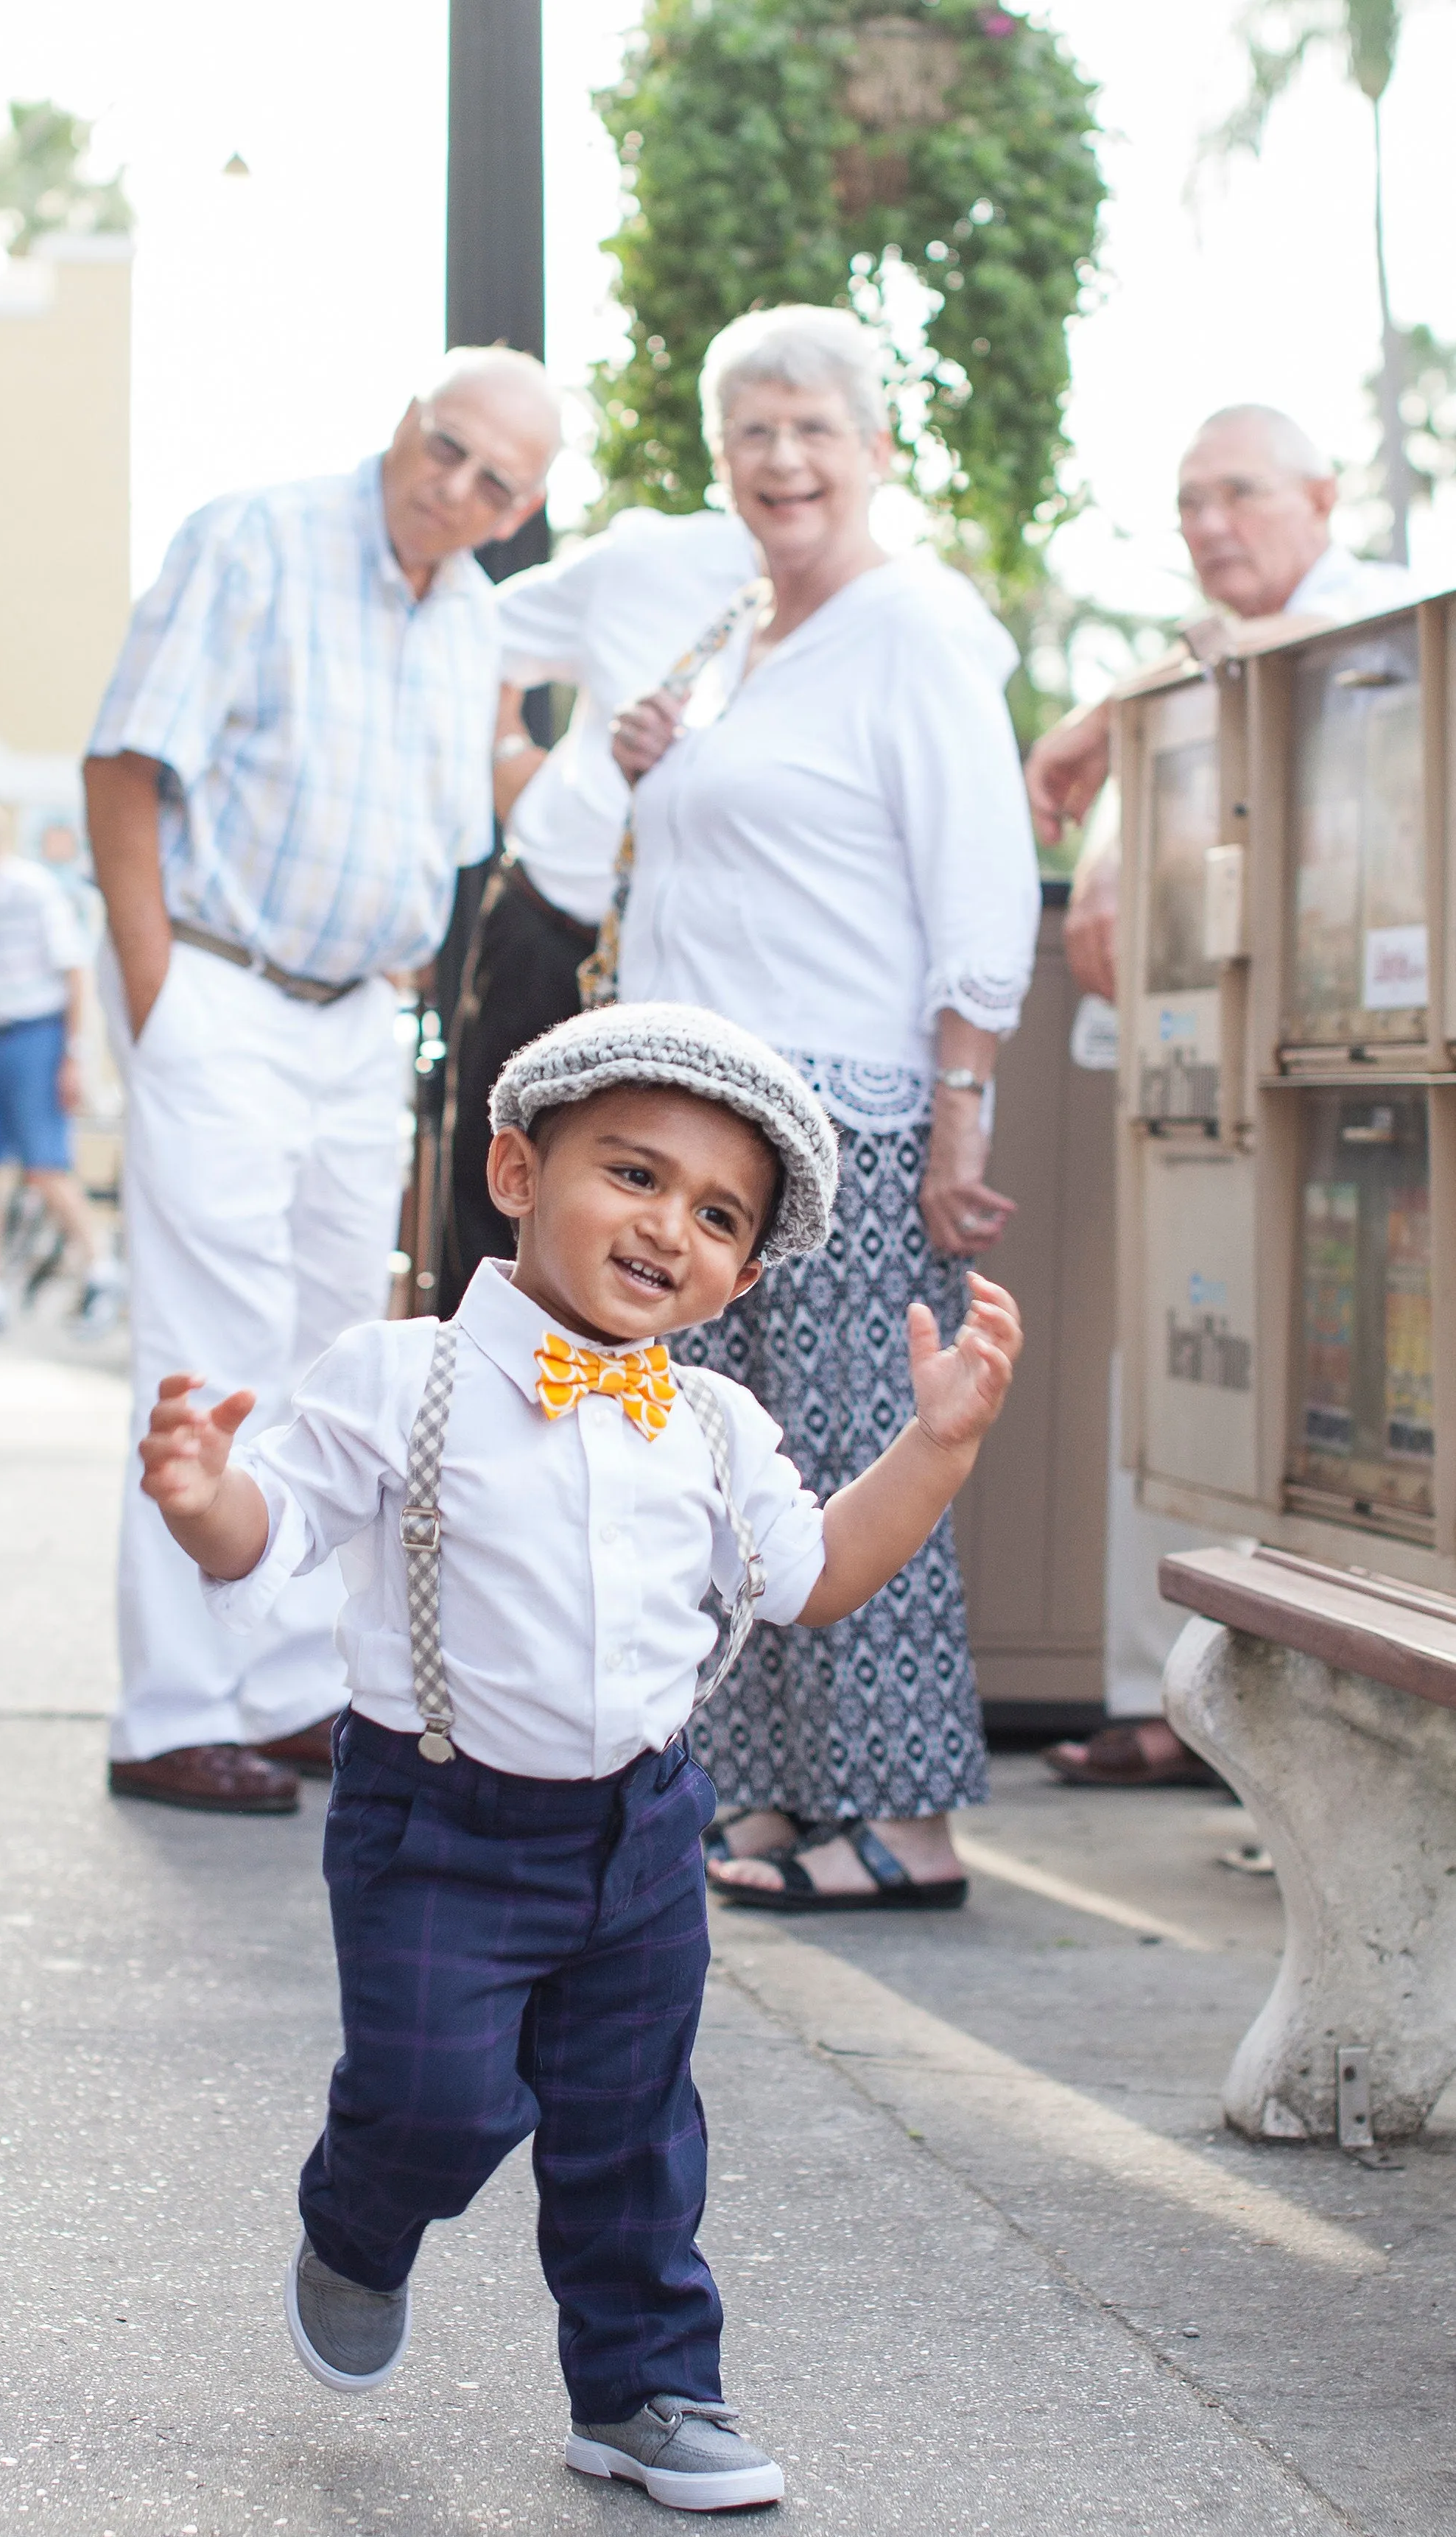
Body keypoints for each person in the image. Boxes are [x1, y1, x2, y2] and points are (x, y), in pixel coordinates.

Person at [136, 1003, 1023, 2509]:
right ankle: (359, 2221)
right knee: (434, 2098)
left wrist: (932, 1449)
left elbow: (814, 1576)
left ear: (742, 1269)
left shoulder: (718, 1424)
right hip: (435, 1819)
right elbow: (268, 1530)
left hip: (639, 1834)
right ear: (512, 1170)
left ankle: (644, 2388)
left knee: (630, 2132)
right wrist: (205, 1495)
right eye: (631, 1173)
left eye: (716, 1214)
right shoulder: (395, 1372)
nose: (667, 1225)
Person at [84, 347, 562, 1820]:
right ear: (405, 421)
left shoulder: (472, 614)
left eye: (496, 479)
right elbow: (122, 762)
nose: (456, 485)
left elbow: (453, 817)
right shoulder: (256, 537)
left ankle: (286, 1685)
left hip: (355, 1020)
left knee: (327, 1355)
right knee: (206, 1342)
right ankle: (171, 1707)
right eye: (446, 444)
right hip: (221, 985)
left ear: (517, 508)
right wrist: (160, 989)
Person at [607, 306, 1040, 1907]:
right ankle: (777, 1790)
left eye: (808, 429)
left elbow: (976, 884)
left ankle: (906, 1817)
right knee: (736, 1468)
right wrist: (661, 754)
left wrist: (958, 1115)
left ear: (869, 450)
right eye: (749, 433)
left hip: (844, 1118)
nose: (779, 460)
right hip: (708, 1129)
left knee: (866, 1455)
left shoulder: (911, 625)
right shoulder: (736, 640)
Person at [1026, 404, 1422, 1787]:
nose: (1208, 526)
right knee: (1176, 1382)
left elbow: (1284, 686)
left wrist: (1095, 718)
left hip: (1365, 1097)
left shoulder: (1377, 617)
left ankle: (1319, 1739)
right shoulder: (1184, 677)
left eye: (1239, 494)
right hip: (1208, 1098)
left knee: (1344, 1409)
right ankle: (1173, 1702)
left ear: (1320, 497)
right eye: (1189, 501)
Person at [440, 503, 762, 1296]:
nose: (785, 461)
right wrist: (514, 768)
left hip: (717, 973)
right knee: (498, 1217)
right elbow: (468, 639)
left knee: (663, 1245)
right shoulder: (645, 558)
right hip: (557, 930)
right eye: (756, 428)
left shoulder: (867, 614)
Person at [0, 793, 120, 1342]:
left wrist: (72, 1058)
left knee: (44, 1169)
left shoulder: (34, 889)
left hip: (39, 1035)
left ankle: (101, 1269)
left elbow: (73, 972)